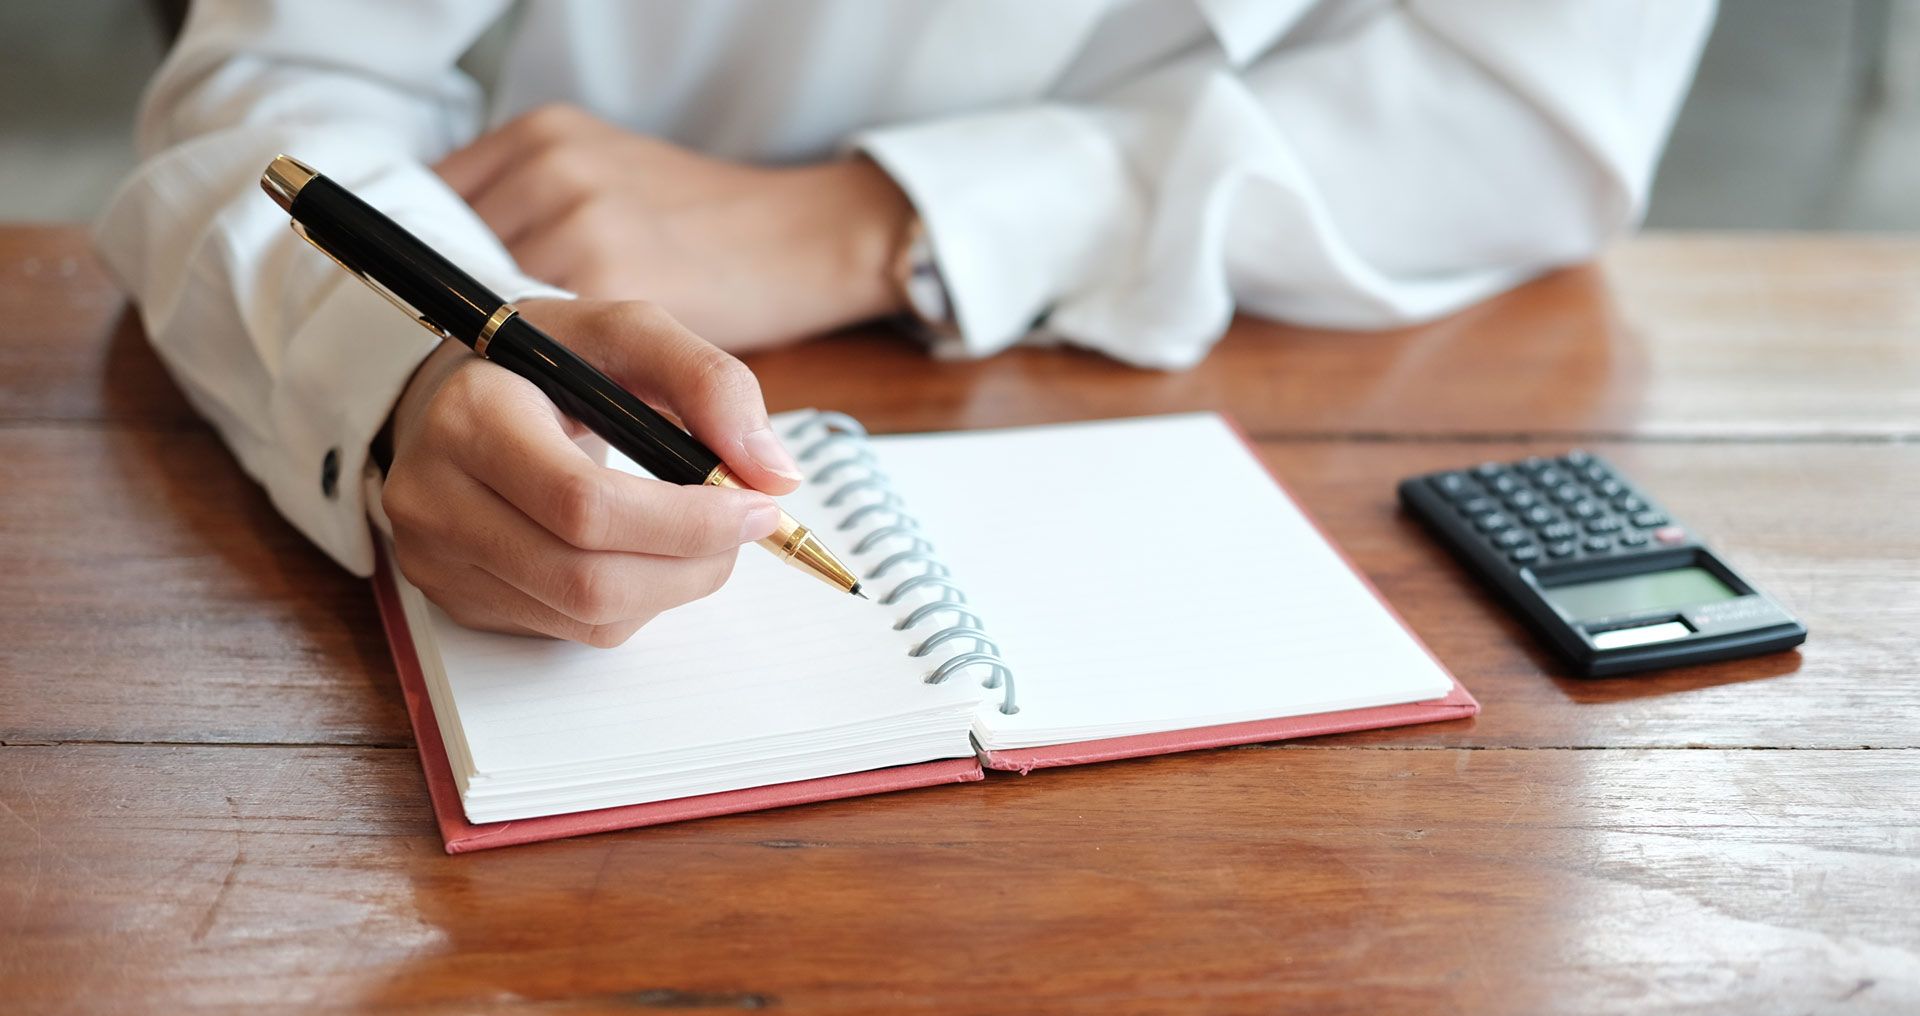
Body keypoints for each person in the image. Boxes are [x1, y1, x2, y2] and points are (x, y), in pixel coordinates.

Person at [96, 0, 1715, 646]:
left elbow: (1532, 104)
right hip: (544, 288)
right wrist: (414, 369)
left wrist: (888, 215)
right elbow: (272, 104)